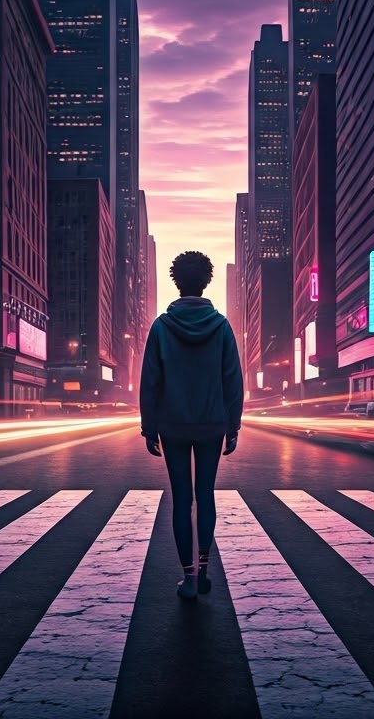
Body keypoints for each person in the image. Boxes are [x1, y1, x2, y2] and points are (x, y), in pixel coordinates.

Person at [140, 250, 244, 600]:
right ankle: (204, 570)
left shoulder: (161, 326)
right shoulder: (222, 325)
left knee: (181, 499)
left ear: (176, 281)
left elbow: (150, 381)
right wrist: (233, 426)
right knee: (206, 495)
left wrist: (149, 427)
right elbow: (233, 379)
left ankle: (188, 578)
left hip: (173, 425)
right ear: (206, 281)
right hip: (212, 424)